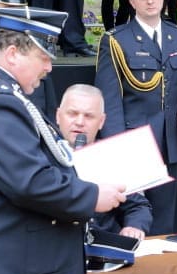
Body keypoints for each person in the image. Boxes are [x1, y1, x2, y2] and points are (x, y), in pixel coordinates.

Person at [0, 5, 126, 274]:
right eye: (43, 57)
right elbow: (30, 182)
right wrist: (92, 196)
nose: (49, 68)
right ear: (12, 53)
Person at [94, 0, 177, 235]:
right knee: (134, 214)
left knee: (165, 216)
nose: (150, 1)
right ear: (131, 1)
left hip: (171, 139)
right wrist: (115, 143)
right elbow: (110, 98)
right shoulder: (116, 40)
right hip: (134, 139)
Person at [56, 84, 152, 241]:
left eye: (89, 116)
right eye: (72, 114)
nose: (80, 122)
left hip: (103, 248)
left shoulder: (111, 157)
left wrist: (134, 227)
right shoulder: (39, 158)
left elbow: (138, 206)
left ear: (101, 121)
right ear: (58, 116)